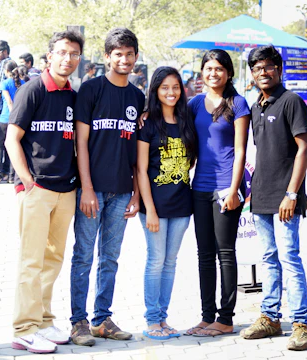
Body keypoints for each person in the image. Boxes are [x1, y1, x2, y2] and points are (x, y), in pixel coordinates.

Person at [5, 30, 84, 354]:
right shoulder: (33, 89)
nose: (68, 59)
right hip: (37, 189)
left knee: (52, 259)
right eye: (62, 52)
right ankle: (24, 328)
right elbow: (12, 139)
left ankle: (43, 319)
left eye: (74, 54)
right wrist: (27, 183)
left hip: (65, 191)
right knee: (31, 261)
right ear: (49, 56)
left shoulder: (73, 95)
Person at [69, 27, 145, 346]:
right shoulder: (91, 89)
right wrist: (86, 188)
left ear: (136, 57)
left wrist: (137, 195)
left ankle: (102, 319)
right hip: (93, 189)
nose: (124, 59)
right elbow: (81, 143)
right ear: (107, 57)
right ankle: (78, 322)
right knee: (84, 255)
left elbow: (138, 151)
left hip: (122, 190)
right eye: (118, 54)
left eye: (129, 54)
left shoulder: (137, 96)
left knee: (110, 258)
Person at [240, 45, 307, 351]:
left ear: (279, 69)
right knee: (268, 258)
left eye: (268, 67)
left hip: (285, 199)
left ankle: (302, 325)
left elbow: (304, 149)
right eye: (257, 69)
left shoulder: (291, 102)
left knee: (289, 258)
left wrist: (293, 193)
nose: (262, 73)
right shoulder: (256, 106)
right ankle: (270, 318)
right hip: (261, 196)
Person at [185, 49, 250, 337]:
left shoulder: (238, 103)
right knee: (203, 254)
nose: (213, 73)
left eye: (219, 69)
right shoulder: (195, 103)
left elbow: (240, 151)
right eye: (208, 68)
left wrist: (235, 190)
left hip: (227, 188)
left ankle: (225, 318)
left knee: (225, 253)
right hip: (199, 186)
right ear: (202, 73)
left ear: (229, 73)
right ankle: (206, 315)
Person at [137, 66, 197, 340]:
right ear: (155, 90)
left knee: (170, 262)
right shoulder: (147, 123)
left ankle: (164, 319)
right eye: (165, 88)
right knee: (156, 261)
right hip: (155, 207)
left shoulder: (187, 120)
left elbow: (191, 161)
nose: (171, 92)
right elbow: (140, 169)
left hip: (182, 205)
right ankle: (152, 320)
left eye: (175, 87)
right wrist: (148, 208)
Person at [0, 60, 27, 183]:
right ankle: (11, 176)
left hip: (5, 118)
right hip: (19, 120)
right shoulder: (23, 83)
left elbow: (8, 102)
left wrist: (12, 116)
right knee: (15, 146)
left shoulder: (5, 83)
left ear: (6, 71)